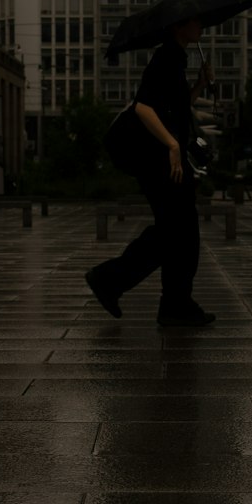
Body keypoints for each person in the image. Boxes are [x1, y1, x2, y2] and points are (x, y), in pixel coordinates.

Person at [86, 16, 216, 327]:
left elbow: (175, 108)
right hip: (160, 161)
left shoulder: (176, 59)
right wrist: (172, 145)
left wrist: (199, 84)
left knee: (180, 233)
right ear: (176, 26)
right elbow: (144, 107)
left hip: (166, 160)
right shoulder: (166, 58)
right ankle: (113, 281)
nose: (201, 26)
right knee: (177, 232)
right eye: (194, 21)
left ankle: (173, 303)